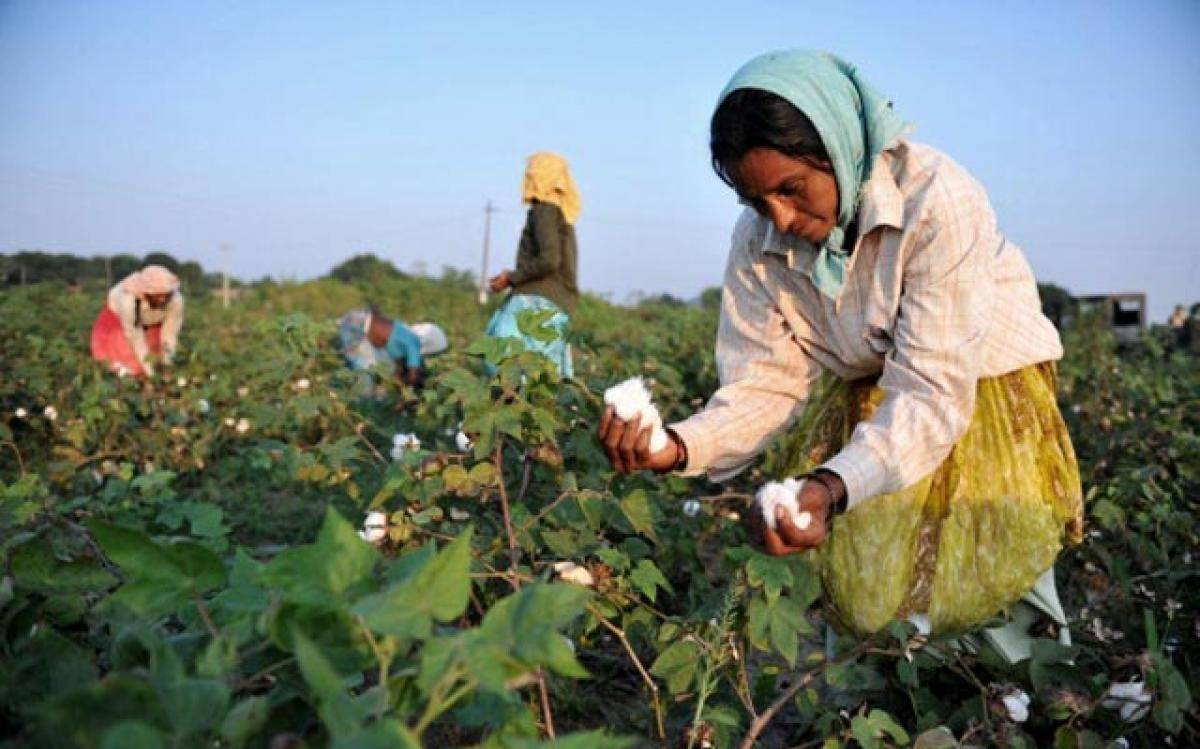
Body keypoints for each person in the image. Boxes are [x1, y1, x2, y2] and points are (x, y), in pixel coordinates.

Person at [598, 50, 1083, 661]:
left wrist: (830, 486)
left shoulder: (936, 199)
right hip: (875, 394)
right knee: (871, 583)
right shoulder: (759, 239)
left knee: (995, 573)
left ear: (838, 150)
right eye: (757, 200)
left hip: (977, 386)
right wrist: (672, 446)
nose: (780, 217)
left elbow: (932, 390)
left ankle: (1029, 710)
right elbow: (762, 382)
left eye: (792, 189)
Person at [486, 152, 580, 377]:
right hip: (558, 303)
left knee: (499, 358)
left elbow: (549, 260)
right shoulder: (564, 218)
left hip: (536, 301)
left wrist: (511, 277)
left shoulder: (545, 211)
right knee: (546, 375)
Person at [90, 264, 184, 378]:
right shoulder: (128, 301)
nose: (162, 299)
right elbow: (135, 337)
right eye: (158, 296)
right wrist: (151, 374)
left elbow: (170, 334)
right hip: (118, 320)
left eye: (166, 295)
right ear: (147, 293)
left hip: (153, 319)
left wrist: (167, 366)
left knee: (156, 353)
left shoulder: (176, 301)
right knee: (126, 358)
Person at [337, 308, 448, 388]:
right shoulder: (413, 345)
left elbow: (397, 369)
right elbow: (412, 377)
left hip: (358, 324)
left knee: (362, 369)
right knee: (366, 379)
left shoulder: (405, 334)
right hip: (359, 330)